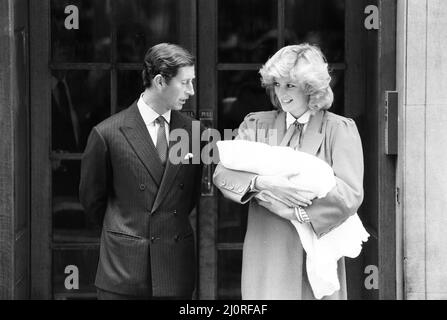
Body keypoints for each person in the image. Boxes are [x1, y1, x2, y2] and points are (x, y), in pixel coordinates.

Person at [213, 43, 364, 300]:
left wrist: (296, 212)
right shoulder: (256, 124)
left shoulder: (339, 129)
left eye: (290, 85)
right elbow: (222, 174)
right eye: (277, 84)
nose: (281, 93)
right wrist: (264, 183)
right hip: (267, 246)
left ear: (311, 87)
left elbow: (349, 194)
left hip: (317, 248)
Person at [79, 43, 202, 300]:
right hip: (124, 272)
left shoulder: (194, 132)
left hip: (174, 269)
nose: (191, 91)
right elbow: (92, 201)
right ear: (159, 81)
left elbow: (187, 198)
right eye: (185, 82)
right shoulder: (108, 133)